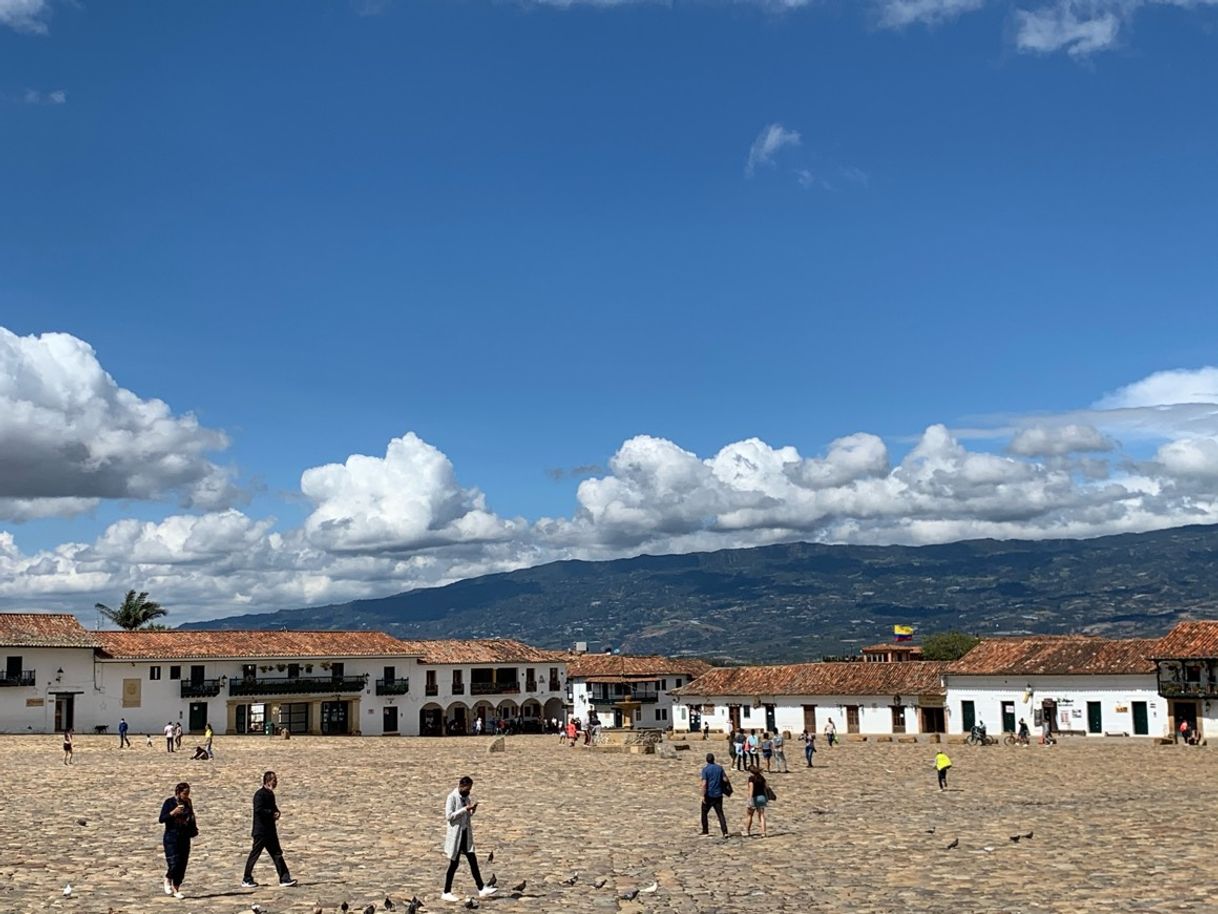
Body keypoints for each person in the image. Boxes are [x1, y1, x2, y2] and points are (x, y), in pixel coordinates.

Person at [441, 776, 496, 903]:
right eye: (467, 788)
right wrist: (464, 809)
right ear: (461, 786)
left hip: (465, 834)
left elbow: (467, 815)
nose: (469, 791)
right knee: (453, 864)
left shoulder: (466, 798)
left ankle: (481, 888)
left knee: (473, 860)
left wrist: (471, 811)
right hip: (456, 836)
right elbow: (449, 816)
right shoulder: (452, 797)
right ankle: (446, 891)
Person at [241, 771, 297, 888]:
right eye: (274, 780)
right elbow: (259, 810)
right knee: (255, 854)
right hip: (261, 831)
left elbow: (273, 807)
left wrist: (277, 812)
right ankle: (246, 878)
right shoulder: (259, 795)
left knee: (277, 854)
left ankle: (284, 878)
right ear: (268, 781)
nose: (276, 783)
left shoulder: (270, 794)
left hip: (270, 831)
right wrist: (271, 813)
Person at [159, 781, 197, 899]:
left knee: (182, 864)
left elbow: (191, 816)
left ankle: (176, 888)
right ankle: (167, 878)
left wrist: (193, 827)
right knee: (174, 862)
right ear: (179, 792)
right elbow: (162, 819)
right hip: (171, 837)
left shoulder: (188, 802)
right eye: (185, 793)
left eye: (188, 793)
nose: (187, 795)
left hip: (184, 836)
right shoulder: (169, 802)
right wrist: (173, 813)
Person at [699, 752, 730, 838]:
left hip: (709, 794)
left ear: (706, 760)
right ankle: (725, 831)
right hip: (718, 794)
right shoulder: (719, 768)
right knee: (720, 813)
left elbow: (704, 783)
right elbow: (725, 779)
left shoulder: (705, 770)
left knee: (704, 812)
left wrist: (703, 795)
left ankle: (705, 830)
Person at [743, 765, 768, 838]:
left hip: (754, 798)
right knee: (761, 815)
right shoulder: (761, 777)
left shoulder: (751, 778)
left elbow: (751, 789)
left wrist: (750, 800)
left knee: (750, 815)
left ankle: (747, 831)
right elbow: (767, 787)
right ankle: (763, 832)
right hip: (762, 797)